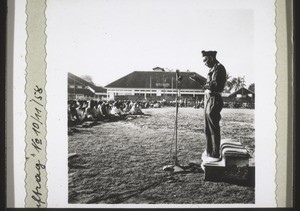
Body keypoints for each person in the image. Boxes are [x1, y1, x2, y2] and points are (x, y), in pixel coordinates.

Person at [191, 50, 227, 159]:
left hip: (214, 98)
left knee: (213, 127)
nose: (204, 63)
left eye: (205, 60)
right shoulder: (212, 69)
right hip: (208, 98)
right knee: (207, 128)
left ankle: (215, 153)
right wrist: (198, 80)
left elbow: (214, 85)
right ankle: (209, 152)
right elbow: (208, 85)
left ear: (211, 57)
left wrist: (201, 80)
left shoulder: (218, 68)